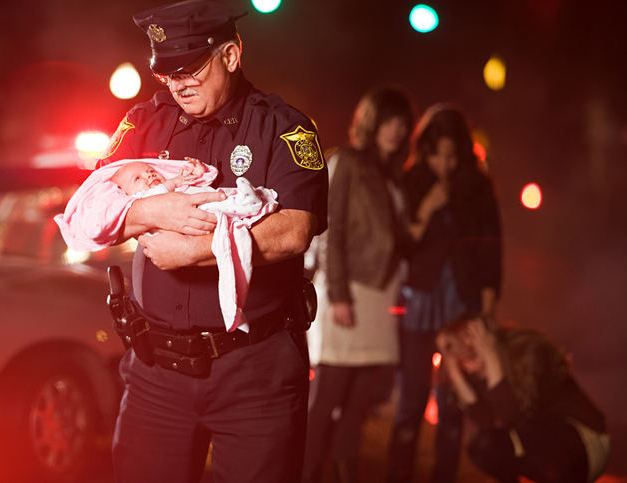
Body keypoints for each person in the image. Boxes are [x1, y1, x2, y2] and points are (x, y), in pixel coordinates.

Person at [79, 1, 329, 482]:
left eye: (190, 68)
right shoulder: (143, 122)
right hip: (156, 373)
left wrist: (196, 248)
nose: (178, 84)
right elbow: (90, 204)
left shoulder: (284, 127)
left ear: (231, 55)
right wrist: (153, 211)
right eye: (167, 73)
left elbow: (296, 229)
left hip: (254, 372)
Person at [302, 85, 415, 483]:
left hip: (380, 296)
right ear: (371, 122)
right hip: (348, 293)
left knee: (357, 407)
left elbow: (394, 241)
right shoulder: (347, 162)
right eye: (388, 121)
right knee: (326, 399)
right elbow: (332, 232)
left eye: (403, 123)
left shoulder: (393, 176)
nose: (397, 130)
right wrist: (338, 295)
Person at [386, 104, 503, 483]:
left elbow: (491, 248)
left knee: (452, 405)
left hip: (462, 303)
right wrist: (428, 206)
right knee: (412, 401)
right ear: (426, 150)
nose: (445, 163)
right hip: (420, 301)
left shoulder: (478, 187)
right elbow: (401, 244)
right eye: (437, 154)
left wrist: (485, 311)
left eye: (452, 155)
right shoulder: (412, 182)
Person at [54, 156, 278, 330]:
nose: (149, 176)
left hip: (204, 215)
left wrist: (192, 175)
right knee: (218, 207)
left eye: (150, 171)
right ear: (124, 193)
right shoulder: (140, 199)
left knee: (219, 199)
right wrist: (174, 184)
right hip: (154, 342)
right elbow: (99, 220)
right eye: (138, 179)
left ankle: (249, 201)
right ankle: (248, 203)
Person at [436, 313, 610, 483]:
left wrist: (489, 355)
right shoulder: (482, 372)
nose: (470, 368)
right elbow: (485, 421)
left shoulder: (529, 350)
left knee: (526, 425)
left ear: (487, 341)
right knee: (481, 446)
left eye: (472, 356)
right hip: (549, 449)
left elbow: (513, 414)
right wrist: (452, 367)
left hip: (588, 444)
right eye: (463, 362)